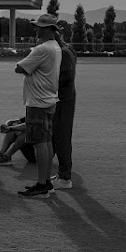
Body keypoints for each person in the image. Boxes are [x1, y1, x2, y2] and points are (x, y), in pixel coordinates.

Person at [14, 12, 62, 198]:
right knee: (47, 142)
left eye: (39, 27)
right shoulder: (55, 46)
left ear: (48, 29)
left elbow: (20, 67)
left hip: (38, 102)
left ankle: (42, 184)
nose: (36, 29)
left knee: (40, 143)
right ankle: (46, 182)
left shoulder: (42, 49)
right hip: (49, 100)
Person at [53, 23, 78, 190]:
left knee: (62, 138)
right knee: (59, 137)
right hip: (64, 98)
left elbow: (67, 76)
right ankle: (62, 174)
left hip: (63, 99)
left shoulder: (63, 52)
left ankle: (65, 177)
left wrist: (50, 84)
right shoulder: (68, 48)